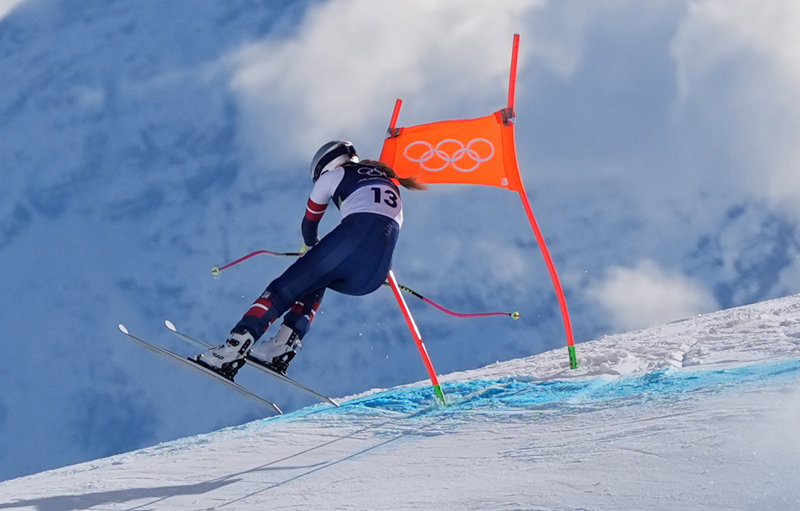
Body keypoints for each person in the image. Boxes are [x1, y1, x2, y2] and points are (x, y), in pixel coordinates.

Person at [195, 140, 426, 380]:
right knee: (315, 279)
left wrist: (310, 247)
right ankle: (281, 346)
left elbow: (310, 223)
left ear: (325, 165)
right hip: (374, 276)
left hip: (349, 244)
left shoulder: (335, 175)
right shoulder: (389, 182)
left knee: (281, 291)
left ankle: (231, 351)